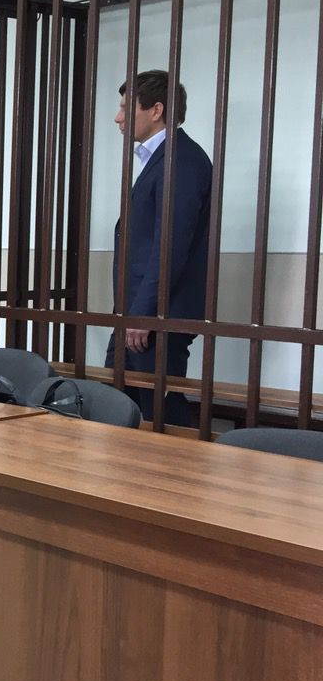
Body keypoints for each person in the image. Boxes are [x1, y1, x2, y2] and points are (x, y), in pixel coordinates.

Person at [108, 70, 212, 426]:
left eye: (126, 108)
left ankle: (187, 463)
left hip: (156, 317)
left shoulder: (181, 160)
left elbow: (170, 246)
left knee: (161, 416)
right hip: (138, 314)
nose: (118, 117)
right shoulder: (163, 157)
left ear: (156, 110)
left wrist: (143, 314)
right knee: (116, 405)